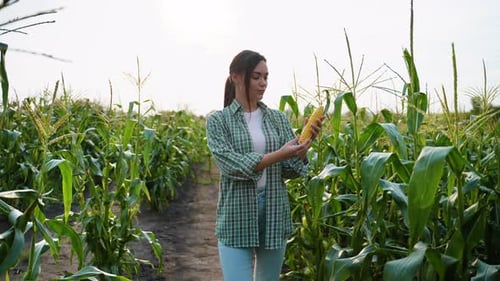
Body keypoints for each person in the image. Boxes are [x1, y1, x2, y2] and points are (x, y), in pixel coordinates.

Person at [205, 50, 323, 281]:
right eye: (256, 77)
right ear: (236, 77)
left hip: (274, 211)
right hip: (236, 214)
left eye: (266, 77)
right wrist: (279, 154)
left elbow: (290, 170)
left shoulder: (277, 118)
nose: (263, 83)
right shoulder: (218, 121)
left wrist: (303, 150)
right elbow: (232, 165)